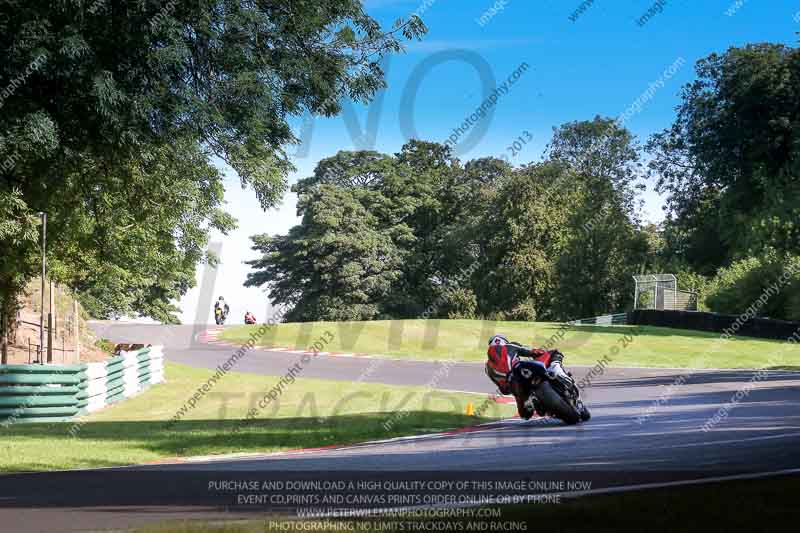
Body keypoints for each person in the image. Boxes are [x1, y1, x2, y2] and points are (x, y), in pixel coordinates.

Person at [484, 334, 570, 420]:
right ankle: (559, 373)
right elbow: (534, 352)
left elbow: (504, 390)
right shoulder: (511, 346)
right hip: (522, 374)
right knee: (554, 353)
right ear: (504, 341)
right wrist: (540, 353)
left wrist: (511, 388)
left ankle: (533, 402)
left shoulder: (488, 368)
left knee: (525, 415)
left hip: (516, 388)